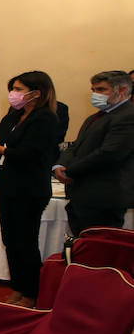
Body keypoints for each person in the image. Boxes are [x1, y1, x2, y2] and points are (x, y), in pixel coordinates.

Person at [0, 71, 61, 307]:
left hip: (29, 189)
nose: (13, 94)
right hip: (7, 185)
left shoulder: (45, 118)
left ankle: (31, 292)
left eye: (18, 89)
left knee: (26, 241)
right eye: (13, 89)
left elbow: (30, 154)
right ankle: (18, 287)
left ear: (36, 92)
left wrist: (1, 149)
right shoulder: (15, 114)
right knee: (11, 239)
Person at [54, 70, 134, 236]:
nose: (96, 94)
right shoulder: (95, 117)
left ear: (122, 90)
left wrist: (71, 171)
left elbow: (109, 154)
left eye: (101, 90)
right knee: (81, 248)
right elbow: (76, 146)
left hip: (104, 197)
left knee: (98, 252)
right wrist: (60, 165)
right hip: (83, 196)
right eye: (94, 90)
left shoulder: (128, 116)